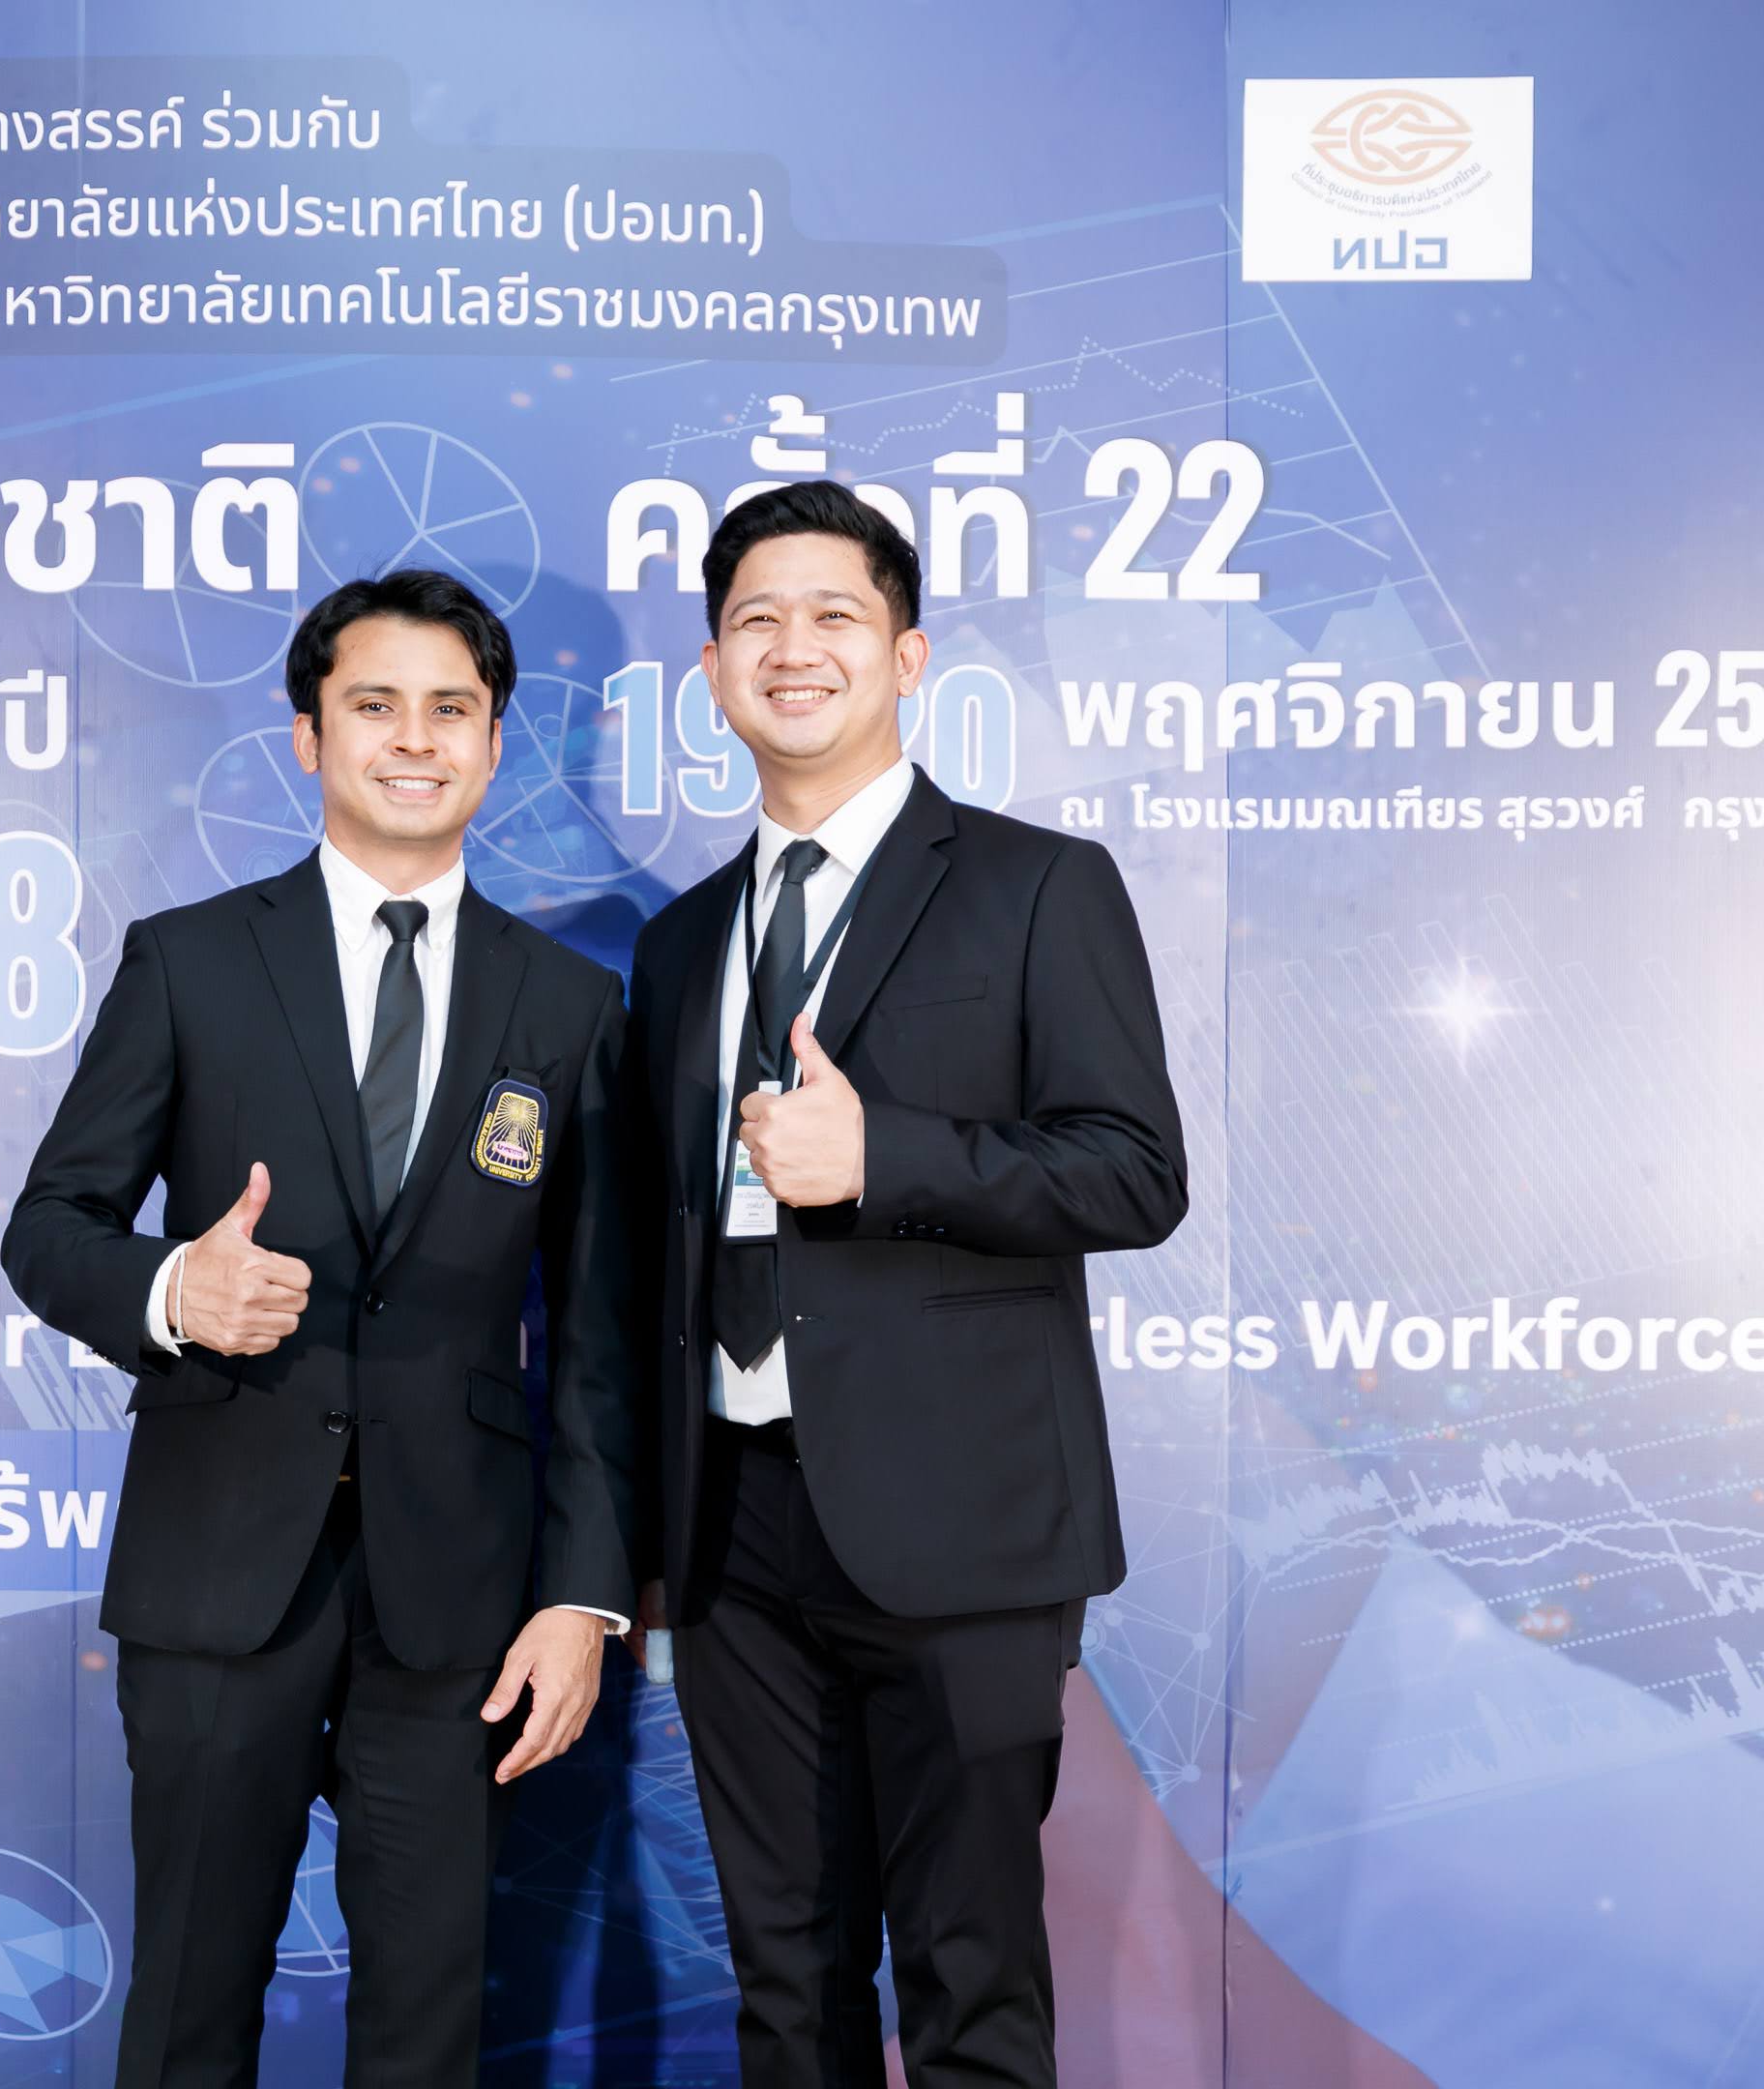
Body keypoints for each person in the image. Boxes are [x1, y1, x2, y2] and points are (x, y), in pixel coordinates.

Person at [1, 569, 645, 2088]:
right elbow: (51, 1228)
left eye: (451, 710)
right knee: (187, 2016)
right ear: (309, 735)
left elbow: (602, 1338)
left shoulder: (569, 1004)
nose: (414, 739)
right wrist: (174, 1289)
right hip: (218, 1570)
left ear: (494, 744)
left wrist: (584, 1598)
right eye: (375, 705)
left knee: (427, 2032)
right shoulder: (193, 960)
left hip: (460, 1601)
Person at [621, 481, 1189, 2087]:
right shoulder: (679, 945)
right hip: (731, 1538)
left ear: (909, 654)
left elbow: (1134, 1172)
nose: (792, 648)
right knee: (783, 1991)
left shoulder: (1036, 885)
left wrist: (890, 1157)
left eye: (835, 616)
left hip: (963, 1525)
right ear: (713, 672)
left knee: (968, 1984)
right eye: (755, 621)